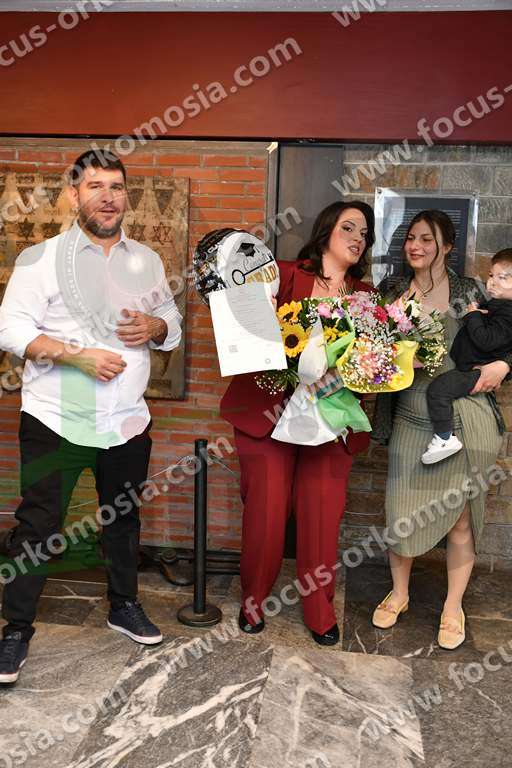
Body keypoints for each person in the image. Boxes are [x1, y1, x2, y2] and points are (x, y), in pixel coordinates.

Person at [0, 149, 182, 684]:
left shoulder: (146, 260)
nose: (108, 197)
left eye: (116, 187)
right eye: (95, 186)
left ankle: (123, 605)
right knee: (38, 525)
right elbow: (10, 329)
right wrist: (76, 356)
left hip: (126, 420)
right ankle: (15, 630)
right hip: (55, 418)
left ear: (127, 195)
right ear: (73, 194)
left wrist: (155, 327)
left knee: (122, 518)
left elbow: (170, 320)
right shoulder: (39, 259)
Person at [220, 201, 375, 646]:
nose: (358, 238)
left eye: (364, 233)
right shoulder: (285, 275)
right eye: (349, 228)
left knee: (322, 519)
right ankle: (253, 601)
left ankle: (320, 611)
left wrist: (349, 375)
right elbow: (238, 318)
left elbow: (372, 367)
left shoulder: (366, 296)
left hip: (332, 420)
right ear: (326, 231)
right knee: (266, 515)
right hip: (268, 417)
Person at [371, 210, 511, 650]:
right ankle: (399, 594)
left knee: (461, 521)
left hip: (467, 417)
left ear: (447, 246)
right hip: (411, 416)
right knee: (401, 513)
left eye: (427, 239)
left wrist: (505, 364)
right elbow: (367, 351)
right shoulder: (390, 291)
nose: (416, 246)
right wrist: (392, 359)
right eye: (411, 238)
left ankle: (453, 607)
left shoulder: (471, 290)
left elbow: (509, 333)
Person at [422, 248, 512, 464]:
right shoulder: (496, 303)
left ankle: (445, 438)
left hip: (477, 371)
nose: (492, 282)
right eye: (491, 275)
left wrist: (472, 315)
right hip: (470, 365)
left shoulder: (508, 312)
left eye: (502, 277)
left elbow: (486, 340)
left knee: (438, 390)